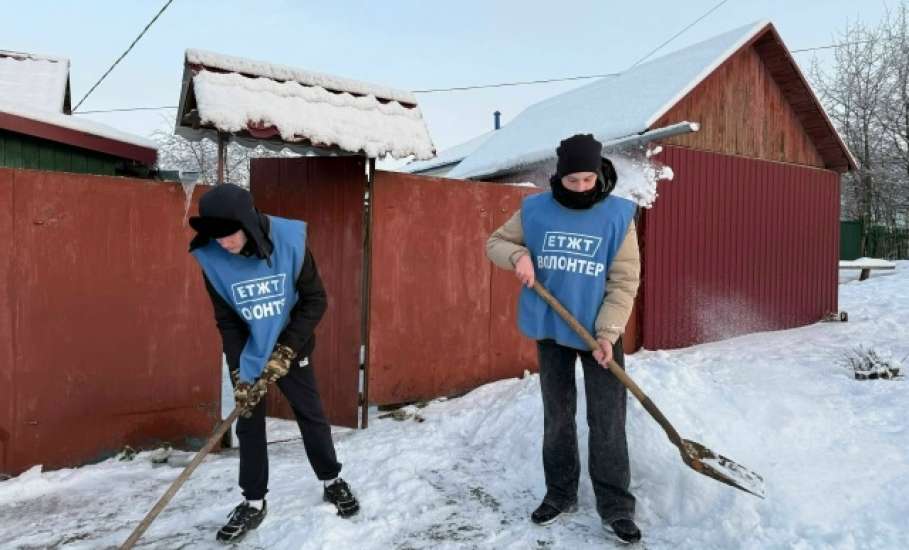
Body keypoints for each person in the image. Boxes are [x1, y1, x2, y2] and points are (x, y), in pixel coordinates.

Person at [485, 134, 642, 544]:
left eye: (588, 180)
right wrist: (518, 257)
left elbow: (624, 282)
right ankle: (560, 493)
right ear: (559, 176)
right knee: (558, 416)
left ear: (598, 174)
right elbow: (495, 243)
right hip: (553, 330)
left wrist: (608, 334)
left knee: (607, 420)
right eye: (572, 181)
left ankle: (616, 507)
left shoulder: (618, 216)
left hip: (599, 333)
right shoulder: (535, 210)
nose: (581, 188)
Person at [188, 183, 359, 544]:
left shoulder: (289, 242)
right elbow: (227, 320)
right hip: (249, 349)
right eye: (215, 236)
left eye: (228, 235)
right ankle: (253, 501)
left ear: (247, 223)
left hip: (289, 343)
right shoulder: (213, 258)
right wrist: (239, 370)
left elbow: (315, 299)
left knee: (310, 413)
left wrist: (286, 351)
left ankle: (332, 480)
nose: (222, 243)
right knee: (248, 423)